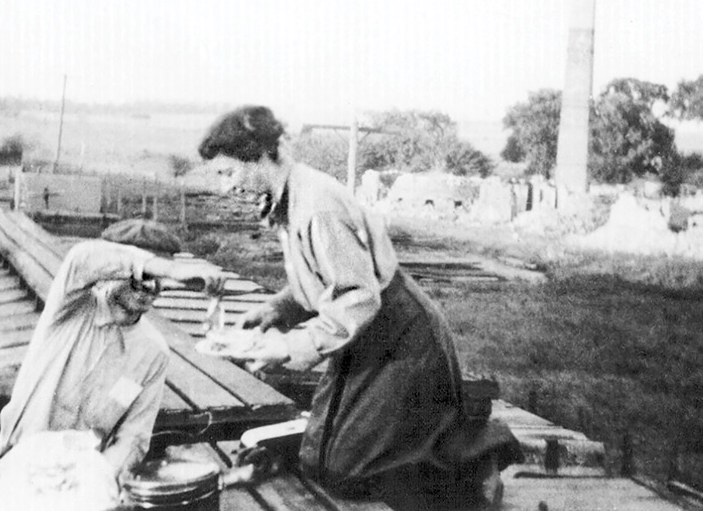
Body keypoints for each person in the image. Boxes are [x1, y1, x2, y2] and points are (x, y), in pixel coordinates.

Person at [198, 105, 522, 510]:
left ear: (260, 155)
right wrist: (279, 308)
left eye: (229, 173)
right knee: (324, 460)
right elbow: (326, 276)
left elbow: (357, 297)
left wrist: (287, 346)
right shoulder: (292, 197)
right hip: (368, 334)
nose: (227, 188)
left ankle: (475, 458)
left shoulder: (316, 206)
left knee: (349, 470)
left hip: (401, 338)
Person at [0, 219, 227, 483]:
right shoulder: (69, 308)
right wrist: (168, 267)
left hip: (79, 480)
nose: (151, 287)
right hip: (17, 465)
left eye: (160, 279)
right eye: (141, 276)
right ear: (113, 269)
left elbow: (133, 438)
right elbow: (83, 257)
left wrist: (96, 480)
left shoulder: (153, 353)